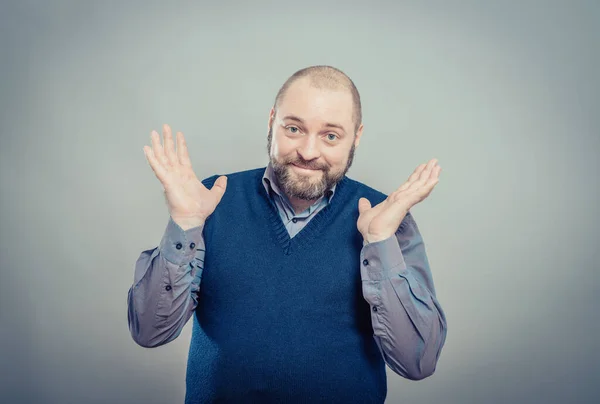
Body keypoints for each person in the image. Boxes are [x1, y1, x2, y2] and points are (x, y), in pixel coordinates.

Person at [127, 65, 447, 404]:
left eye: (331, 136)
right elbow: (149, 332)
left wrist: (380, 242)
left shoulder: (386, 217)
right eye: (293, 128)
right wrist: (185, 223)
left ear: (357, 136)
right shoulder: (209, 202)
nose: (308, 152)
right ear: (271, 122)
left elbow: (417, 361)